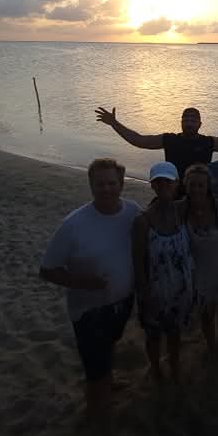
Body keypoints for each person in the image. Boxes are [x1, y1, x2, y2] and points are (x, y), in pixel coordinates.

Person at [39, 158, 141, 420]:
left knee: (110, 347)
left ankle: (109, 379)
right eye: (100, 184)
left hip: (122, 302)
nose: (106, 189)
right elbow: (47, 269)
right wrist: (83, 282)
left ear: (121, 184)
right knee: (94, 371)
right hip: (89, 310)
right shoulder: (74, 224)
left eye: (111, 183)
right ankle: (96, 413)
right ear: (91, 186)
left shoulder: (133, 212)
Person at [132, 161, 195, 384]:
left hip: (181, 289)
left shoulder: (182, 211)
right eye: (158, 182)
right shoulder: (143, 221)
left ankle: (175, 364)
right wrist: (145, 295)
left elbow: (208, 197)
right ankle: (156, 367)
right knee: (154, 335)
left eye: (168, 182)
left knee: (175, 333)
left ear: (177, 184)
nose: (163, 186)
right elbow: (138, 263)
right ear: (152, 186)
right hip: (155, 292)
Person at [94, 105, 218, 179]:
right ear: (181, 122)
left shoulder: (208, 142)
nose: (189, 122)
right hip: (171, 189)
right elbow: (139, 140)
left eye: (193, 119)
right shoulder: (170, 139)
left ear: (200, 124)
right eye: (186, 119)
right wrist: (114, 124)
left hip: (200, 191)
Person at [179, 164, 218, 355]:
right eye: (192, 185)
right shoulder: (181, 210)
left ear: (208, 186)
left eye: (201, 185)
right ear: (185, 186)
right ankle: (211, 346)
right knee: (206, 316)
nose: (196, 189)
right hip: (197, 276)